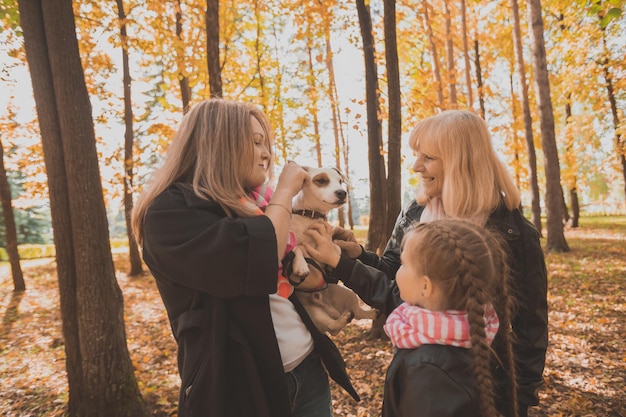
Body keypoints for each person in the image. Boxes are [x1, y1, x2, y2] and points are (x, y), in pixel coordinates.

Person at [309, 110, 548, 417]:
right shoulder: (416, 212)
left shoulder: (513, 233)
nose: (415, 166)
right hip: (421, 377)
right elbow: (401, 277)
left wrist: (519, 400)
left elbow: (531, 328)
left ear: (460, 161)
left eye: (428, 157)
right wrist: (358, 255)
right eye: (416, 155)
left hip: (485, 390)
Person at [131, 98, 359, 417]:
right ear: (217, 143)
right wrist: (283, 193)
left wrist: (327, 257)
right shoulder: (170, 212)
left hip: (308, 372)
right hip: (239, 393)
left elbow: (294, 275)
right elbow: (258, 258)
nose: (267, 153)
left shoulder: (251, 203)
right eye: (255, 142)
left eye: (266, 143)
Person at [305, 219, 519, 416]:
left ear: (425, 286)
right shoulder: (470, 326)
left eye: (403, 264)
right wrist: (338, 260)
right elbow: (387, 292)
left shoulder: (428, 373)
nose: (397, 271)